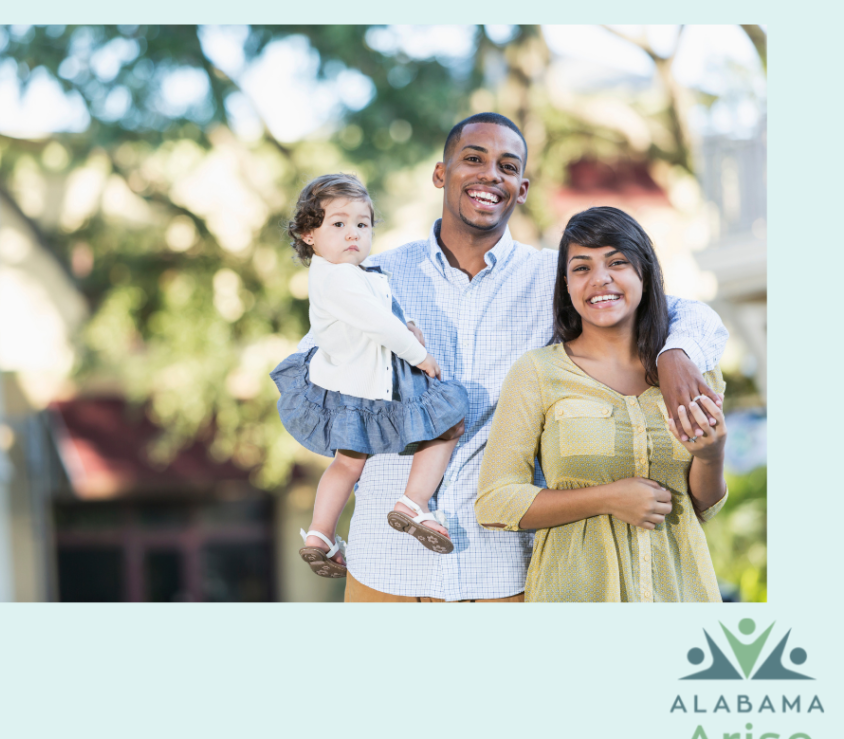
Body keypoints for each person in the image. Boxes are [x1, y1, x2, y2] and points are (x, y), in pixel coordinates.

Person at [285, 112, 726, 603]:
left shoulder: (553, 279)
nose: (490, 174)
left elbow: (684, 312)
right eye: (473, 159)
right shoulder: (375, 276)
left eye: (507, 166)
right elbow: (319, 366)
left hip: (503, 571)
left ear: (521, 189)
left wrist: (677, 353)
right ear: (440, 174)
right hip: (383, 567)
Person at [475, 206, 727, 602]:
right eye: (582, 268)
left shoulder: (694, 373)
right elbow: (494, 501)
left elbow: (701, 508)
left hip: (681, 593)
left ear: (644, 271)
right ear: (566, 284)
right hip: (574, 596)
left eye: (617, 262)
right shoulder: (538, 373)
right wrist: (607, 498)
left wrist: (711, 456)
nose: (600, 279)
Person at [270, 173, 468, 579]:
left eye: (362, 224)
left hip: (346, 390)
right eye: (338, 224)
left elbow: (385, 309)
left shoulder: (341, 275)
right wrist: (421, 354)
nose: (352, 234)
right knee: (449, 423)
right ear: (309, 234)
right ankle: (414, 501)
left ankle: (321, 534)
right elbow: (379, 323)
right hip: (374, 389)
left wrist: (410, 321)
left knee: (347, 464)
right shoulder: (340, 277)